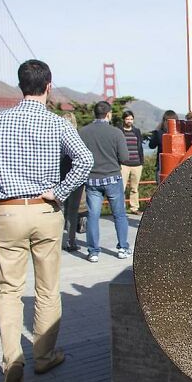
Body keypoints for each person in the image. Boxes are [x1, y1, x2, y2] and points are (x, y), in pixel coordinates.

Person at [0, 60, 94, 382]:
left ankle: (12, 359)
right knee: (47, 288)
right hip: (44, 211)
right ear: (48, 86)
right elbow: (85, 159)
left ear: (20, 85)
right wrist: (60, 191)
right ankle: (44, 355)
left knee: (9, 291)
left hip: (7, 212)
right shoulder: (57, 124)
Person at [79, 101, 132, 262]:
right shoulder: (116, 133)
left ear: (95, 113)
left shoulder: (83, 132)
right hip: (112, 178)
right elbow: (124, 158)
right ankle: (123, 248)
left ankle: (93, 252)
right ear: (108, 114)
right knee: (119, 215)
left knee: (93, 216)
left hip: (92, 180)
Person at [60, 112, 86, 251]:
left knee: (60, 210)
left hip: (59, 178)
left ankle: (57, 239)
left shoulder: (55, 137)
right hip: (75, 179)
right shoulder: (78, 138)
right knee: (72, 211)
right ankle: (71, 240)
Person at [118, 110, 145, 215]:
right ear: (124, 119)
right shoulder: (119, 131)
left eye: (131, 119)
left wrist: (141, 161)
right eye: (127, 119)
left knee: (135, 188)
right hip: (124, 164)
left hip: (137, 164)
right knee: (122, 188)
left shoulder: (136, 131)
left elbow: (140, 146)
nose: (129, 121)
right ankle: (121, 209)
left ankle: (134, 208)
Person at [148, 109, 177, 184]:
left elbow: (151, 145)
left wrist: (155, 133)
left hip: (161, 165)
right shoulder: (179, 133)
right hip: (177, 165)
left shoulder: (159, 133)